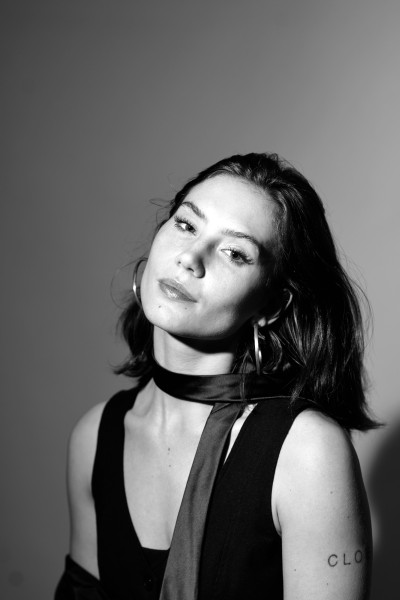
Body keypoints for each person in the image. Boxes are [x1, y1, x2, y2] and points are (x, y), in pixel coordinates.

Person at [55, 153, 377, 600]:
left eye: (235, 252)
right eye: (186, 224)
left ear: (270, 306)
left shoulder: (307, 452)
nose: (190, 257)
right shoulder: (93, 437)